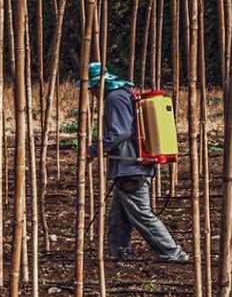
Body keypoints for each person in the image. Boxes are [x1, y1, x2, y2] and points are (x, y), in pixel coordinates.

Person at [80, 62, 190, 263]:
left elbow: (119, 132)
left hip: (130, 167)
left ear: (98, 85)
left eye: (91, 88)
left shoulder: (114, 98)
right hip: (130, 166)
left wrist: (94, 149)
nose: (91, 93)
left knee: (142, 215)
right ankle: (119, 254)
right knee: (118, 217)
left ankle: (173, 253)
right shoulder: (124, 94)